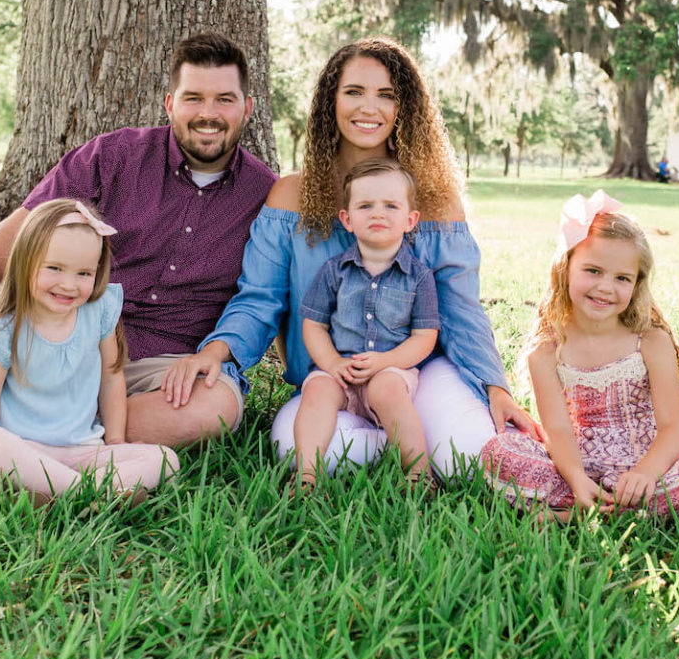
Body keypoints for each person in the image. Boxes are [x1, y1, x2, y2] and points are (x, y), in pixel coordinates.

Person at [0, 33, 276, 505]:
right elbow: (23, 232)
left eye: (224, 99)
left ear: (246, 108)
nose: (209, 112)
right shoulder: (114, 157)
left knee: (215, 407)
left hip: (160, 369)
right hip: (57, 338)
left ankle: (21, 459)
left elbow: (265, 295)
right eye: (194, 98)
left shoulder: (264, 193)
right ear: (170, 104)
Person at [164, 36, 542, 479]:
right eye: (354, 92)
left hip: (414, 377)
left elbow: (461, 310)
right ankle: (400, 441)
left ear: (405, 108)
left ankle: (424, 432)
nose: (370, 108)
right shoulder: (291, 197)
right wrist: (218, 350)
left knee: (467, 459)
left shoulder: (434, 201)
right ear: (331, 101)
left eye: (386, 95)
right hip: (329, 383)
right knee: (298, 448)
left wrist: (495, 388)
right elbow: (260, 299)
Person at [481, 190, 679, 519]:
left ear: (636, 285)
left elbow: (674, 429)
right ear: (565, 268)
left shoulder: (650, 342)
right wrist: (576, 479)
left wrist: (645, 475)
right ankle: (599, 505)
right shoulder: (546, 350)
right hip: (574, 468)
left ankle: (576, 514)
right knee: (498, 452)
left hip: (645, 470)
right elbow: (556, 429)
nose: (605, 287)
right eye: (594, 271)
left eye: (622, 278)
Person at [0, 199, 177, 504]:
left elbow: (111, 379)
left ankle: (61, 495)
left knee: (165, 459)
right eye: (55, 268)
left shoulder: (97, 312)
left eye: (83, 274)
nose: (68, 285)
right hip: (25, 453)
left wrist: (114, 442)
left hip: (85, 450)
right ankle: (90, 494)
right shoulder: (4, 333)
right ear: (25, 264)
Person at [295, 158, 439, 491]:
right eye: (365, 205)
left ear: (410, 219)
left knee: (385, 389)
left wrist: (386, 362)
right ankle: (306, 474)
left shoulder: (419, 277)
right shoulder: (334, 271)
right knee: (317, 389)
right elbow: (313, 325)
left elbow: (424, 337)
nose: (377, 213)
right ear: (347, 219)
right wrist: (332, 364)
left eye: (390, 205)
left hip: (392, 370)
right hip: (342, 370)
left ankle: (418, 472)